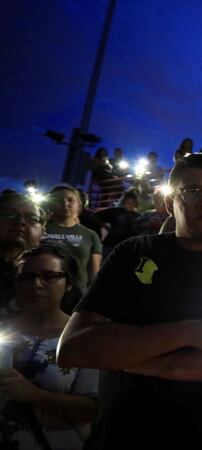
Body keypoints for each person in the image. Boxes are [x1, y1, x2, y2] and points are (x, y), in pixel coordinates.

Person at [56, 153, 202, 450]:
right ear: (168, 202)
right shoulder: (133, 252)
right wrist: (193, 332)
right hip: (126, 434)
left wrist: (150, 363)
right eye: (192, 192)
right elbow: (73, 348)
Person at [0, 245, 98, 449]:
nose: (36, 284)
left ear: (68, 283)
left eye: (49, 276)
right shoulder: (2, 329)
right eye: (26, 277)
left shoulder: (84, 337)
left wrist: (34, 395)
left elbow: (94, 408)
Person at [41, 185, 101, 295]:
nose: (65, 204)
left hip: (76, 293)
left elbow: (94, 272)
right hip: (42, 289)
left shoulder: (90, 235)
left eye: (70, 200)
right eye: (58, 200)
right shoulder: (39, 229)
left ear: (78, 204)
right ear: (50, 204)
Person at [0, 193, 45, 313]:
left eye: (32, 218)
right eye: (9, 215)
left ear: (42, 232)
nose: (20, 222)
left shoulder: (56, 277)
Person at [95, 190, 140, 257]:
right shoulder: (115, 211)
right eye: (128, 202)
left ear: (135, 203)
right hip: (109, 246)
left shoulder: (137, 217)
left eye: (132, 202)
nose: (130, 205)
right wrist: (105, 227)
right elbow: (96, 216)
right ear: (124, 202)